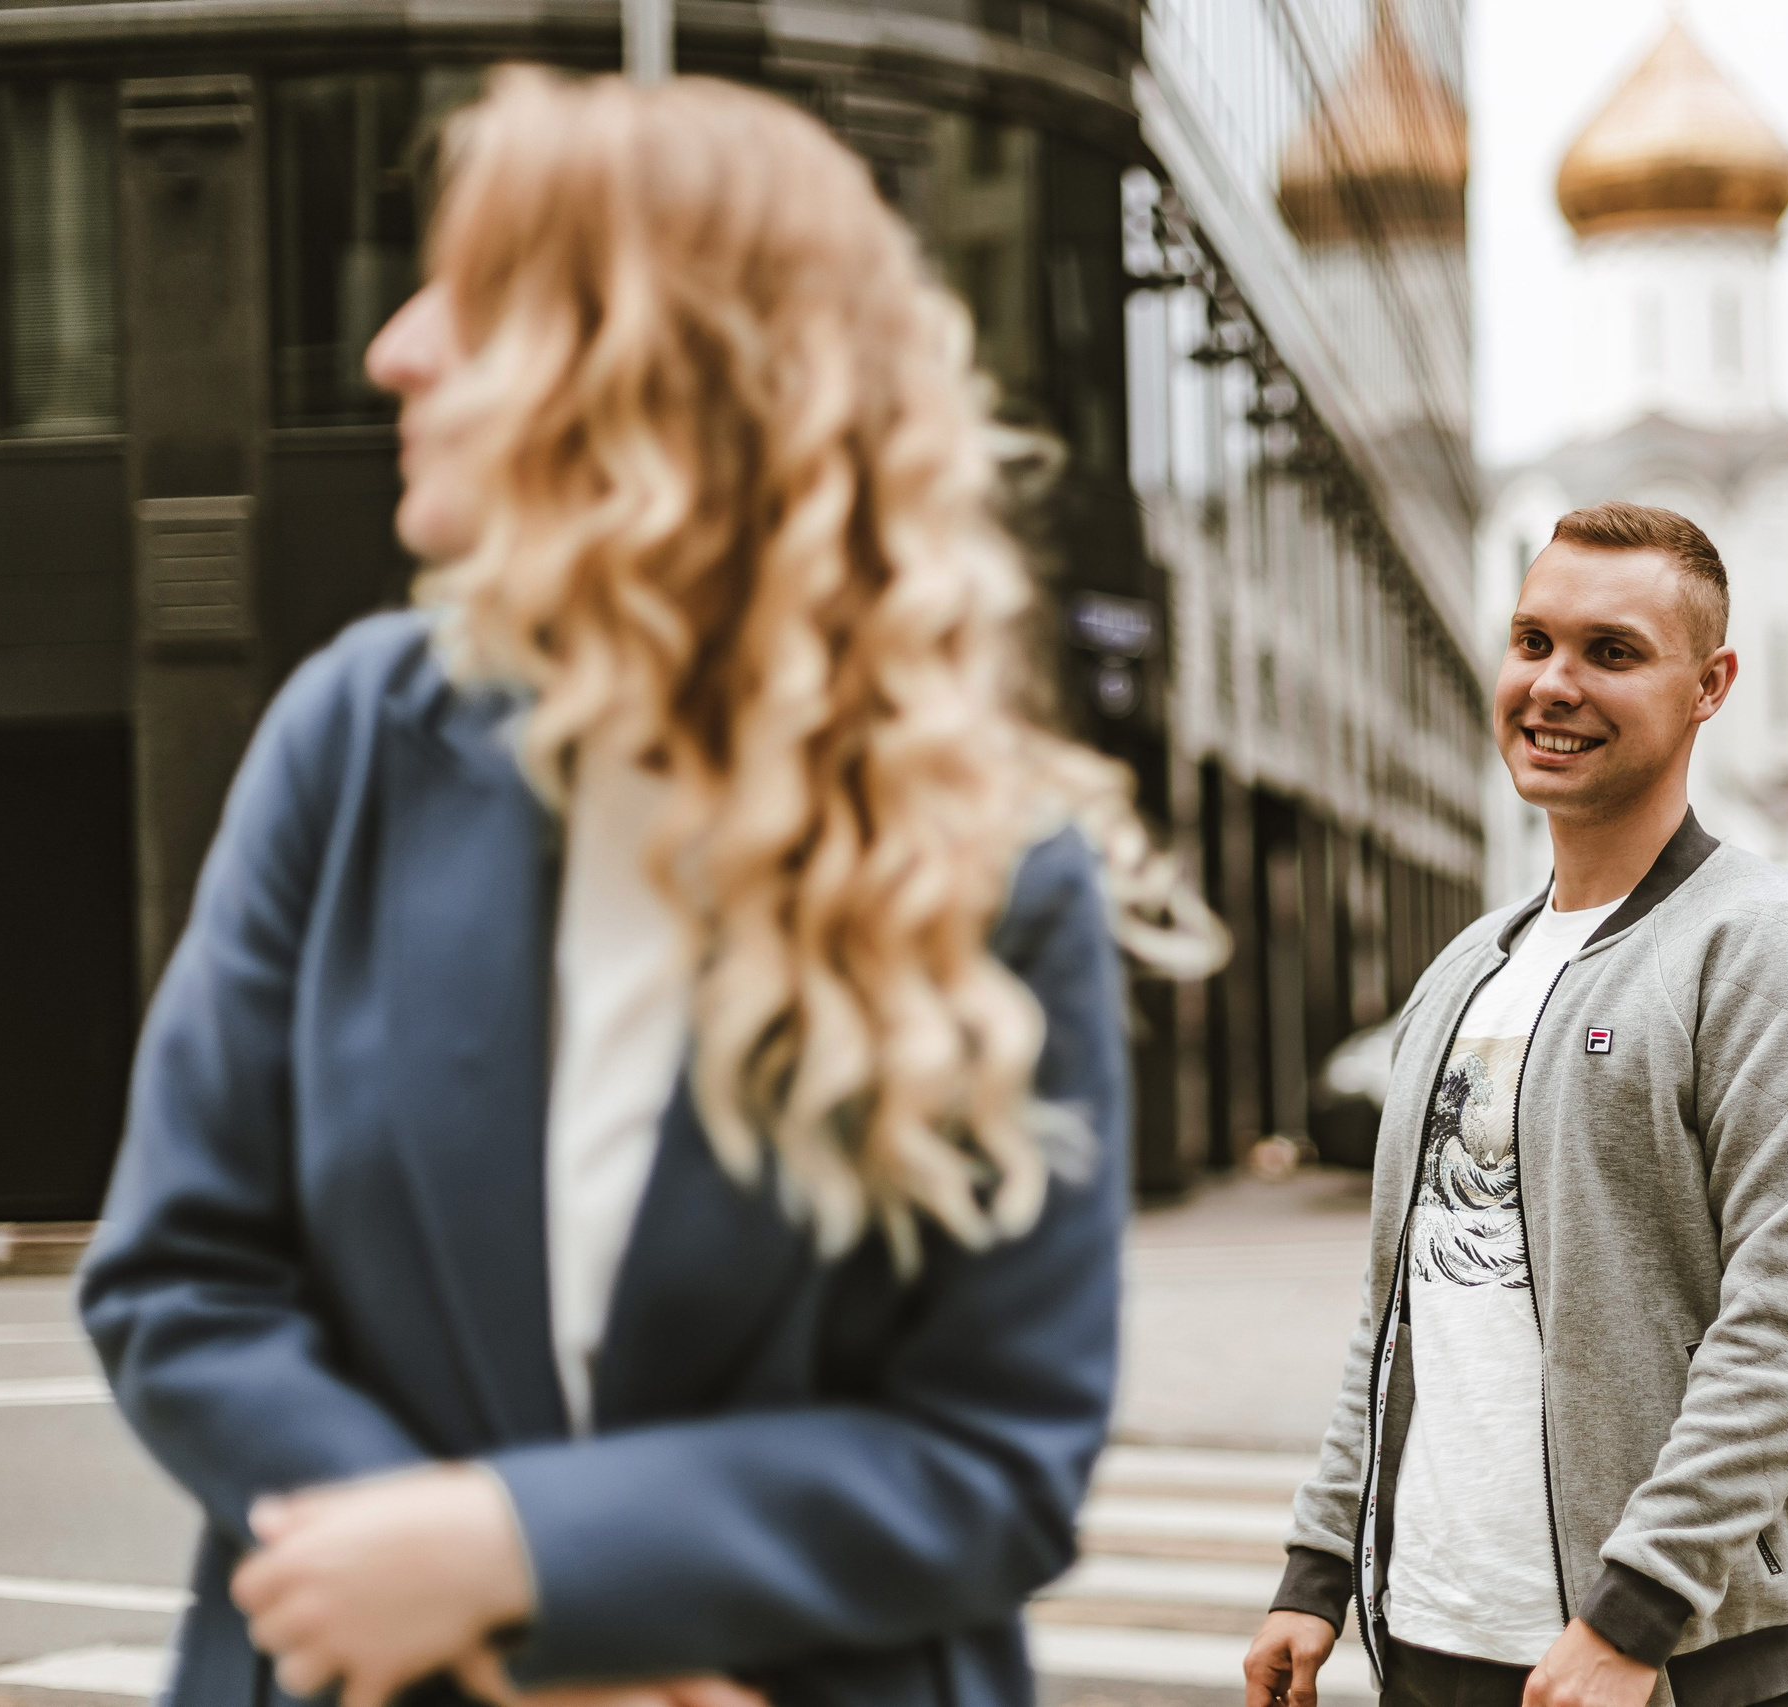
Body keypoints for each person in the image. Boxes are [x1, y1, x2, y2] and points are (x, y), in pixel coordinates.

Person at [77, 69, 1185, 1707]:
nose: (394, 348)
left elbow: (995, 1448)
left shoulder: (992, 859)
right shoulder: (357, 732)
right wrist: (489, 1604)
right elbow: (181, 1277)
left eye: (477, 297)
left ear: (666, 365)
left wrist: (529, 1554)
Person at [1244, 503, 1788, 1707]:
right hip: (1434, 1638)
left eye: (1611, 652)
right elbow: (1401, 1306)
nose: (1553, 684)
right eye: (1533, 641)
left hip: (1667, 1661)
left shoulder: (1762, 950)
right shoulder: (1464, 971)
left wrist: (1636, 1611)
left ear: (1708, 687)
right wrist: (1318, 1563)